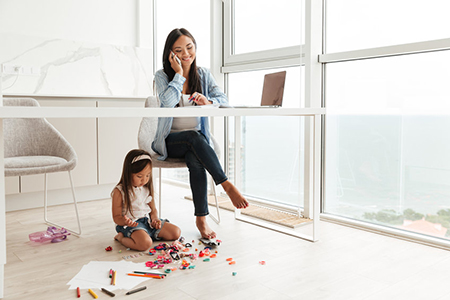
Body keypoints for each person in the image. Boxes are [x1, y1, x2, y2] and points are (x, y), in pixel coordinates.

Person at [152, 28, 249, 240]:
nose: (186, 53)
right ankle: (225, 183)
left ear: (195, 47)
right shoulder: (162, 76)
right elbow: (167, 103)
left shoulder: (203, 74)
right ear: (170, 54)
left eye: (189, 47)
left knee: (195, 159)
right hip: (170, 141)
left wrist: (209, 101)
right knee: (192, 138)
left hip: (196, 143)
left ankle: (201, 219)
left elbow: (224, 100)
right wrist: (178, 76)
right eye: (179, 50)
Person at [112, 149, 181, 251]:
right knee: (145, 244)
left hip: (147, 222)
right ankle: (122, 238)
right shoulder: (119, 191)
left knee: (176, 232)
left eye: (148, 175)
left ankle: (147, 234)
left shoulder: (146, 188)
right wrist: (125, 221)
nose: (144, 180)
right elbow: (116, 217)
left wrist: (155, 219)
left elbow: (153, 210)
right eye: (139, 176)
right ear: (128, 173)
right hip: (132, 225)